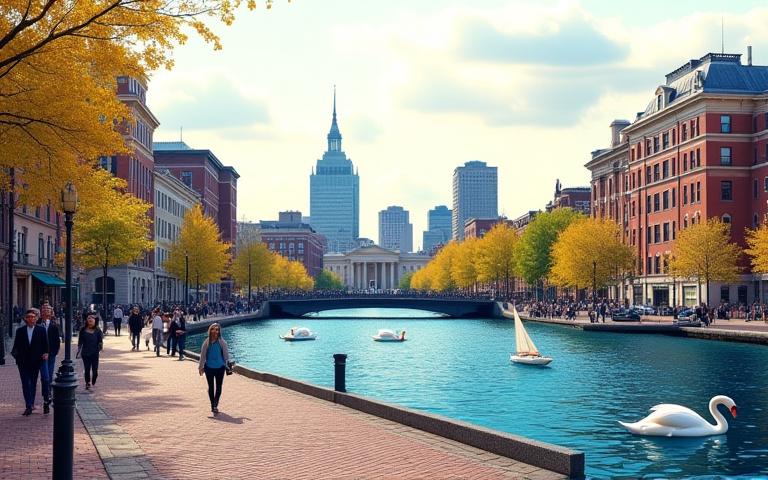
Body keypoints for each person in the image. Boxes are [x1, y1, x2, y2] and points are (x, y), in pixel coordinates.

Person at [10, 309, 49, 415]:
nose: (31, 319)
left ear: (36, 318)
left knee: (32, 382)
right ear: (25, 319)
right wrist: (17, 358)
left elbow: (45, 345)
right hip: (23, 362)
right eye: (29, 317)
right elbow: (16, 346)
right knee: (25, 383)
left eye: (33, 317)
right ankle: (28, 405)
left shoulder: (41, 330)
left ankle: (31, 403)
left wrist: (46, 353)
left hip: (36, 361)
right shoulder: (20, 331)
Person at [198, 323, 230, 415]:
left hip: (220, 368)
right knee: (211, 387)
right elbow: (202, 356)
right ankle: (213, 405)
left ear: (219, 331)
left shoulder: (222, 342)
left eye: (217, 329)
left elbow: (226, 356)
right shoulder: (206, 342)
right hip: (209, 368)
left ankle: (216, 404)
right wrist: (200, 367)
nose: (215, 331)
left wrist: (228, 366)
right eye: (213, 329)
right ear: (210, 330)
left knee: (219, 387)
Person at [37, 303, 61, 414]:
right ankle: (46, 395)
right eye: (44, 308)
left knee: (49, 376)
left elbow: (57, 341)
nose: (46, 310)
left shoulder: (54, 326)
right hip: (40, 355)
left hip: (50, 355)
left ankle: (47, 396)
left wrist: (54, 352)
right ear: (41, 312)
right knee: (44, 377)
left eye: (48, 309)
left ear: (51, 312)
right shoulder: (37, 324)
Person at [77, 313, 103, 390]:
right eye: (89, 318)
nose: (90, 319)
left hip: (95, 353)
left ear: (95, 320)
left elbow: (100, 341)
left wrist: (99, 348)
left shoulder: (98, 330)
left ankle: (94, 378)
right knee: (87, 368)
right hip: (85, 353)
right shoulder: (83, 330)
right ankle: (87, 382)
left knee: (95, 370)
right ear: (86, 320)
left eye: (92, 318)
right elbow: (80, 341)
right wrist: (79, 349)